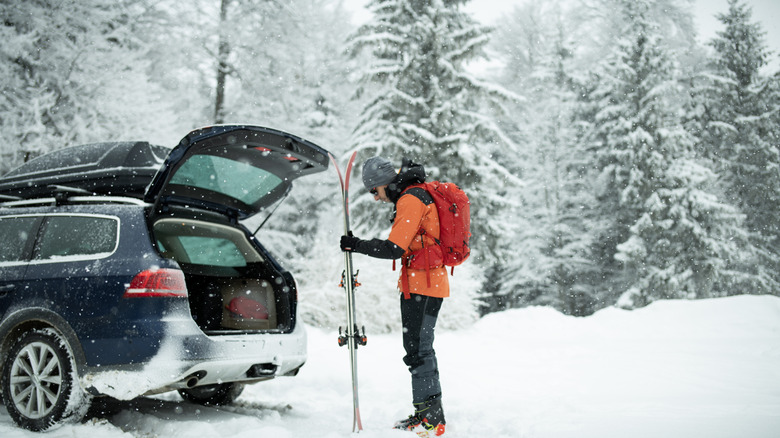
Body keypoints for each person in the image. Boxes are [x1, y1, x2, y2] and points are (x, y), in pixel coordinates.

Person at [340, 156, 448, 437]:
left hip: (424, 284)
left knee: (418, 350)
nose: (376, 198)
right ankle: (427, 414)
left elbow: (393, 248)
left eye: (374, 191)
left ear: (384, 184)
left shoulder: (411, 199)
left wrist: (356, 245)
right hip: (423, 282)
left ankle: (431, 419)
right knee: (419, 349)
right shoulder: (415, 195)